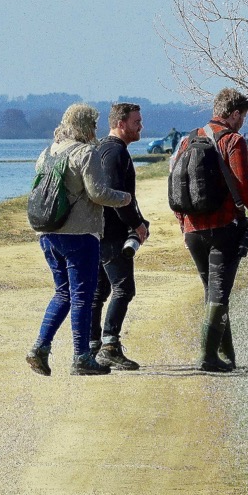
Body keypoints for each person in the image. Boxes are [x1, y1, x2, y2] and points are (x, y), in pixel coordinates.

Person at [25, 103, 133, 377]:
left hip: (47, 234)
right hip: (80, 235)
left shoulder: (47, 153)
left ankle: (40, 347)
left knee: (63, 293)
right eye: (94, 125)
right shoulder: (86, 153)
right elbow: (97, 193)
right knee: (83, 296)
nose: (96, 130)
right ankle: (81, 357)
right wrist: (124, 198)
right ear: (86, 126)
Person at [175, 88, 248, 372]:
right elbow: (244, 183)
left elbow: (176, 184)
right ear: (234, 114)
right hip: (223, 227)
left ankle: (228, 357)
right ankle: (208, 357)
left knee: (212, 291)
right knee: (219, 294)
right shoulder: (234, 140)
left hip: (192, 229)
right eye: (244, 117)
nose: (243, 123)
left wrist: (182, 222)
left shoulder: (188, 139)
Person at [90, 102, 150, 370]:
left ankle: (91, 347)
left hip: (97, 233)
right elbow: (117, 197)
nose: (141, 126)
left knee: (98, 292)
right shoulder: (115, 153)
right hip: (113, 235)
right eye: (137, 121)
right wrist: (136, 225)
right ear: (121, 123)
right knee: (124, 289)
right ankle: (110, 346)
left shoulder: (102, 148)